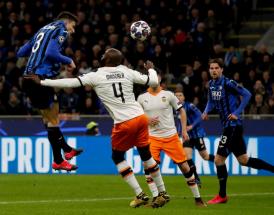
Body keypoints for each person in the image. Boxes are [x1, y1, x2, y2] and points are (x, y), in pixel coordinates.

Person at [25, 48, 169, 208]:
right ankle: (162, 193)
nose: (101, 55)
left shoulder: (96, 75)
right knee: (146, 156)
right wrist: (151, 68)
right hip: (140, 118)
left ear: (108, 60)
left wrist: (43, 82)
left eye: (104, 54)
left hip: (124, 122)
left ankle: (140, 194)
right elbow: (154, 81)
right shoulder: (126, 71)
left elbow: (70, 82)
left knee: (118, 157)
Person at [17, 11, 83, 171]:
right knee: (53, 120)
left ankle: (62, 157)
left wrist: (35, 56)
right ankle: (64, 153)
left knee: (49, 121)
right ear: (66, 22)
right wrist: (69, 60)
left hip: (28, 79)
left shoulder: (43, 30)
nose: (72, 31)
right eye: (73, 27)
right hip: (40, 79)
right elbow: (51, 53)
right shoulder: (61, 30)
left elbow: (20, 52)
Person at [202, 58, 274, 204]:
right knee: (243, 160)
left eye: (217, 68)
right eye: (211, 68)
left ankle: (222, 196)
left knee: (218, 159)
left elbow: (247, 94)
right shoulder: (210, 85)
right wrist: (205, 111)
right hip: (227, 126)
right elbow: (210, 100)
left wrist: (237, 112)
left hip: (233, 126)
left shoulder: (228, 83)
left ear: (222, 69)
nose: (214, 70)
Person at [137, 75, 207, 207]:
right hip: (152, 138)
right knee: (148, 167)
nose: (153, 79)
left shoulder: (168, 95)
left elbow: (182, 111)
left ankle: (198, 199)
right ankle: (157, 198)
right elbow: (137, 115)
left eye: (155, 77)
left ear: (159, 78)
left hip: (171, 137)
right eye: (150, 77)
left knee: (185, 167)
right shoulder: (141, 98)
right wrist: (146, 120)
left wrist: (184, 131)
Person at [175, 90, 215, 187]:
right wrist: (179, 132)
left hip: (197, 134)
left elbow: (201, 116)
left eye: (180, 95)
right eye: (176, 96)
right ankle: (196, 178)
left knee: (205, 157)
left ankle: (218, 160)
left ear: (184, 97)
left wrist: (192, 126)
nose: (178, 97)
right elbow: (180, 122)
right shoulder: (175, 108)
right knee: (187, 157)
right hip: (187, 136)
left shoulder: (190, 106)